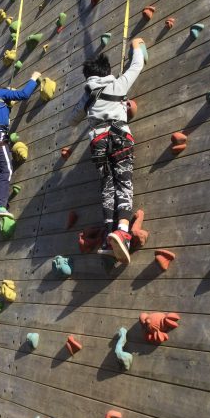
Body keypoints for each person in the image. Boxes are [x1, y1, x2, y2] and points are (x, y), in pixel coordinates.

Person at [68, 38, 145, 264]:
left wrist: (89, 110)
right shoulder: (118, 85)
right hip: (120, 137)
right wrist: (136, 46)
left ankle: (108, 238)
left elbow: (71, 121)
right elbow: (136, 66)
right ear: (106, 71)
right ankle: (122, 231)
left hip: (98, 142)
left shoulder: (87, 96)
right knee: (124, 183)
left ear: (89, 77)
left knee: (107, 187)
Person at [0, 72, 42, 221]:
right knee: (6, 170)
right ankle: (0, 206)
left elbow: (0, 113)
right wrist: (33, 78)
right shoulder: (2, 93)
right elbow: (23, 95)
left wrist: (8, 107)